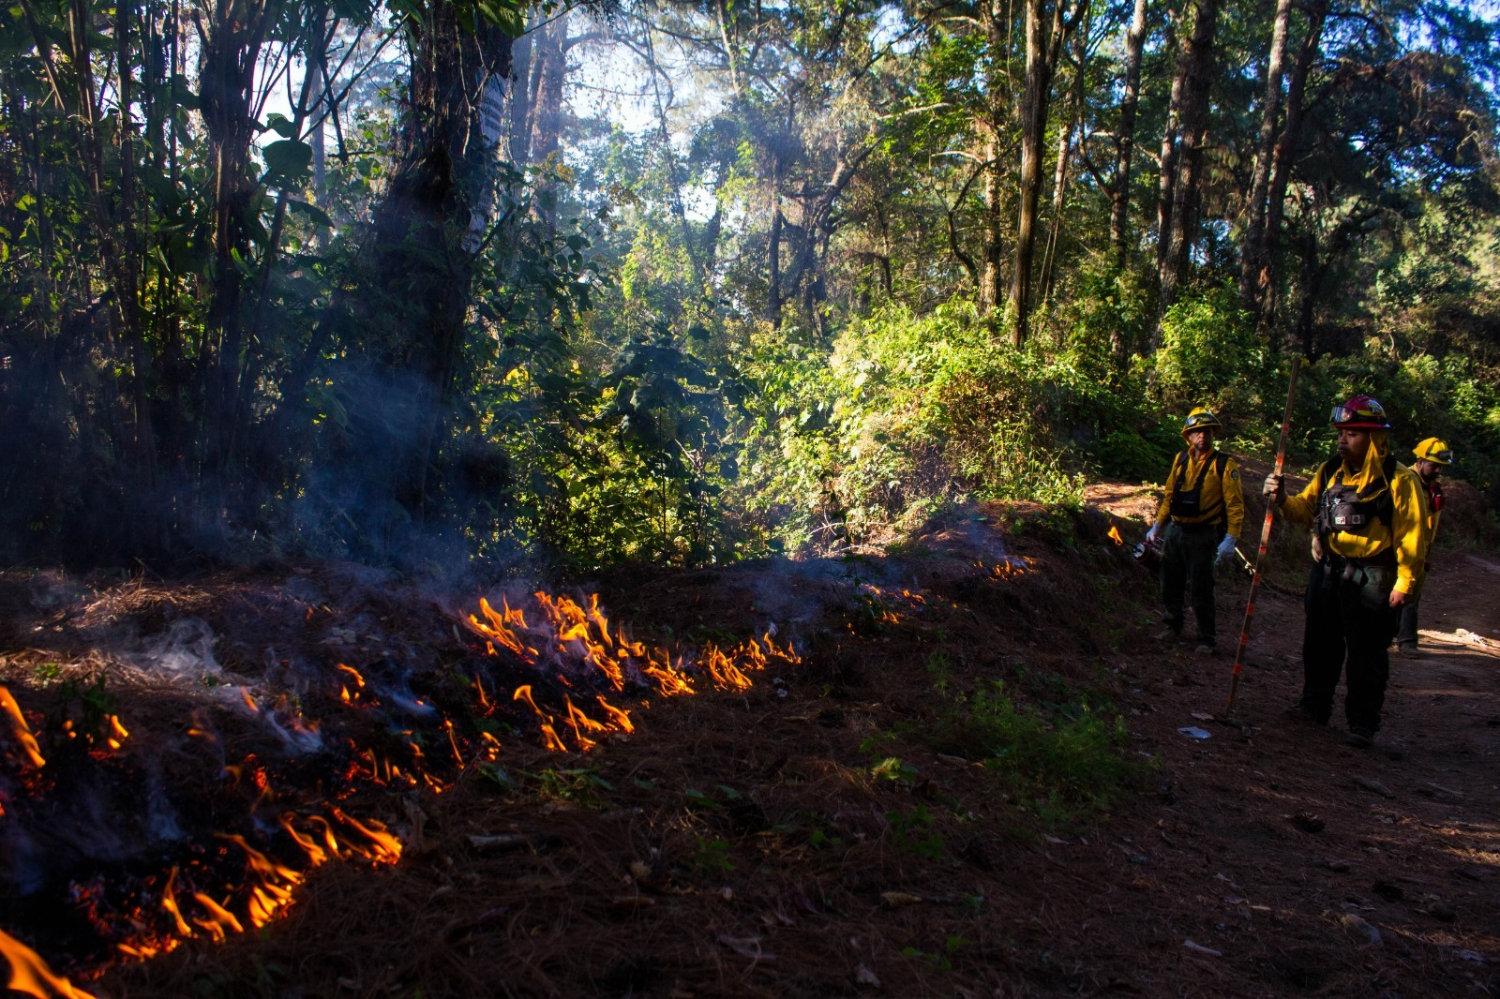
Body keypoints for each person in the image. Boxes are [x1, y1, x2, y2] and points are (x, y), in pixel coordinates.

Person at [1263, 396, 1426, 748]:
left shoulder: (1399, 481)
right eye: (1341, 433)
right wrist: (1280, 498)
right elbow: (1304, 510)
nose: (1342, 440)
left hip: (1373, 579)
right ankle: (1313, 707)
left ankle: (1362, 724)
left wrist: (1405, 585)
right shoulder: (1329, 471)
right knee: (1319, 643)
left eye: (1352, 433)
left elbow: (1413, 537)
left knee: (1367, 654)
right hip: (1328, 572)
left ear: (1374, 438)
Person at [1146, 407, 1245, 654]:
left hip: (1203, 535)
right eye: (1196, 431)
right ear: (1188, 436)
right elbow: (1169, 496)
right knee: (1170, 581)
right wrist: (1158, 526)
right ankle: (1172, 625)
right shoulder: (1180, 459)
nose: (1202, 436)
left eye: (1206, 431)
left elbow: (1234, 504)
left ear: (1213, 434)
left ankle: (1206, 639)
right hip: (1175, 531)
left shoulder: (1224, 464)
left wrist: (1231, 538)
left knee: (1201, 587)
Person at [1394, 437, 1452, 656]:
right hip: (1400, 548)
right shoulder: (1404, 480)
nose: (1437, 470)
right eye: (1434, 465)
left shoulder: (1432, 488)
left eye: (1440, 467)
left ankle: (1406, 641)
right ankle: (1400, 639)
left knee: (1412, 595)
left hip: (1421, 549)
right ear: (1419, 461)